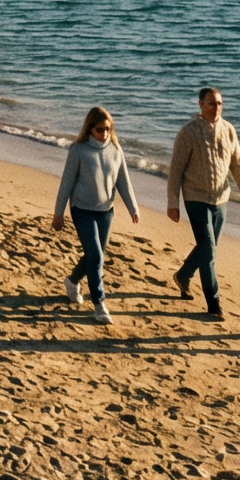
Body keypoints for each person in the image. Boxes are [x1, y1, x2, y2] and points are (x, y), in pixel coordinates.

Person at [166, 87, 240, 321]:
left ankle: (183, 275)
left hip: (221, 198)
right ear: (201, 105)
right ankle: (214, 304)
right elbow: (175, 171)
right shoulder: (188, 132)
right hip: (195, 198)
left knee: (208, 248)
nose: (217, 108)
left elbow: (238, 163)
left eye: (220, 103)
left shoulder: (228, 130)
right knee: (208, 252)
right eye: (212, 103)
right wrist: (172, 203)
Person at [52, 107, 141, 323]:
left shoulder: (116, 150)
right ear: (90, 128)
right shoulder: (78, 150)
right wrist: (58, 213)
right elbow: (66, 183)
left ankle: (72, 281)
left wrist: (133, 208)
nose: (105, 134)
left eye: (108, 129)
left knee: (94, 255)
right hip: (82, 209)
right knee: (96, 256)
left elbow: (123, 182)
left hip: (105, 211)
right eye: (100, 129)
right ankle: (99, 304)